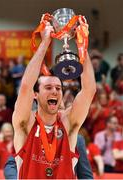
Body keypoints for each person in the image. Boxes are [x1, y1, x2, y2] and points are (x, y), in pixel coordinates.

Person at [12, 21, 96, 179]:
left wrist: (82, 44)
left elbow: (89, 90)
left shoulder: (68, 122)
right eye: (48, 87)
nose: (55, 92)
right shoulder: (26, 122)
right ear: (35, 95)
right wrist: (44, 43)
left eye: (58, 88)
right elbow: (25, 87)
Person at [4, 135, 93, 179]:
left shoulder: (76, 139)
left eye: (60, 108)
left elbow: (85, 176)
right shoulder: (29, 135)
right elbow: (11, 164)